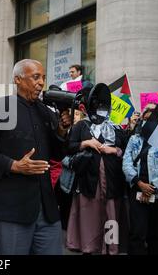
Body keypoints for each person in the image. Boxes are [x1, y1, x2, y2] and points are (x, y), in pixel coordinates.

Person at [0, 59, 71, 255]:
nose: (41, 82)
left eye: (43, 77)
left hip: (47, 211)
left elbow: (58, 154)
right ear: (17, 79)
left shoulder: (47, 112)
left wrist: (61, 131)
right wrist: (14, 165)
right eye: (35, 77)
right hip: (12, 209)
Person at [65, 90, 128, 255]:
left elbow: (127, 151)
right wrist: (86, 143)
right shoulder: (81, 125)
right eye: (96, 103)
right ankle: (89, 247)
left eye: (103, 104)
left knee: (111, 215)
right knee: (89, 215)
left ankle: (111, 248)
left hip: (113, 179)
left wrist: (113, 150)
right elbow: (69, 147)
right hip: (88, 179)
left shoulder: (117, 127)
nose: (100, 107)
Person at [123, 103, 158, 255]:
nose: (149, 123)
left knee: (157, 236)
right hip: (137, 191)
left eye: (153, 119)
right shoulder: (134, 139)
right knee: (137, 233)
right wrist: (139, 183)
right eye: (146, 119)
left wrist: (152, 188)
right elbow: (126, 163)